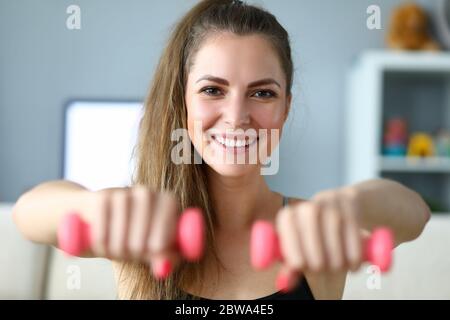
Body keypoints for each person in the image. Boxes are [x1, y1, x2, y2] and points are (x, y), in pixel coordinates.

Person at [12, 0, 430, 300]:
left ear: (285, 108)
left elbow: (413, 213)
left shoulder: (313, 232)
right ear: (184, 102)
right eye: (213, 90)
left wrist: (351, 206)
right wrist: (90, 210)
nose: (236, 116)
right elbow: (28, 213)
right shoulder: (143, 228)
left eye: (262, 93)